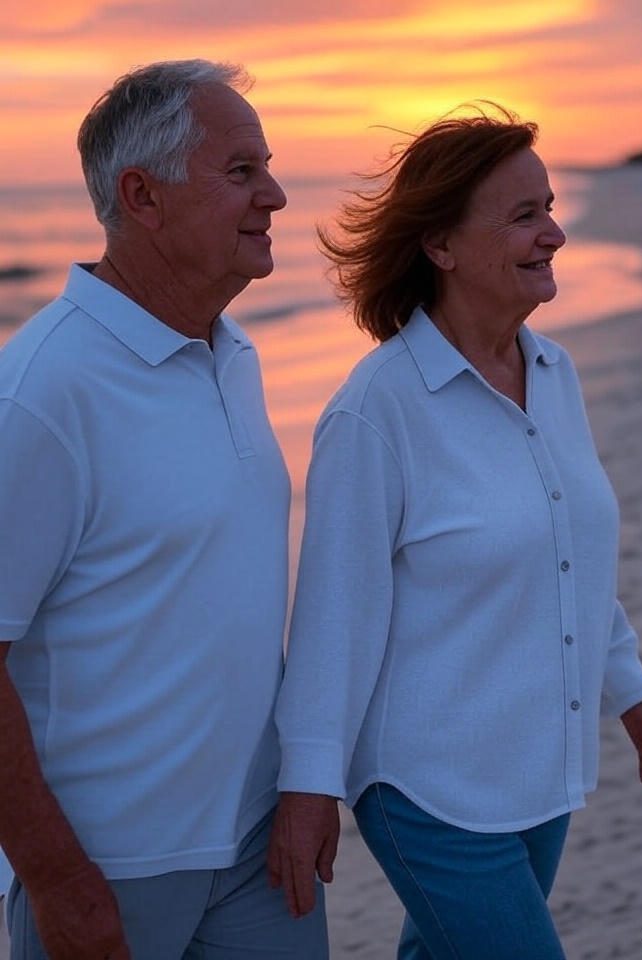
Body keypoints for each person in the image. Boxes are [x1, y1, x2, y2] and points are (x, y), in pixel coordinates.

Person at [268, 106, 642, 959]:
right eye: (525, 216)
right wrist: (307, 787)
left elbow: (568, 551)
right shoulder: (376, 411)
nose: (556, 234)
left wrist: (629, 686)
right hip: (426, 787)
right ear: (441, 245)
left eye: (552, 206)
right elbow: (333, 618)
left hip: (538, 771)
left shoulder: (554, 372)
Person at [0, 60, 328, 960]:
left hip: (262, 855)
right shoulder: (40, 396)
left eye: (267, 165)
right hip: (110, 871)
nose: (277, 195)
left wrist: (305, 785)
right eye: (240, 173)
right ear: (142, 196)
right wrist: (57, 880)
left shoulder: (234, 355)